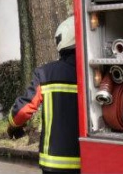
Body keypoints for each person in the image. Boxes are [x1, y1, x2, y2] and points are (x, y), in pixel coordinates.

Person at [7, 16, 80, 174]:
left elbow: (23, 110)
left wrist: (13, 125)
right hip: (89, 160)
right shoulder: (94, 71)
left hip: (54, 163)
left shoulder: (46, 74)